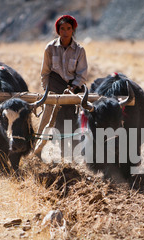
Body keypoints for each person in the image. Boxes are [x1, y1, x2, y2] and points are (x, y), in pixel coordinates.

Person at [36, 15, 88, 157]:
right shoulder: (50, 48)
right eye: (62, 29)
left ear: (73, 30)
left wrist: (72, 88)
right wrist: (48, 92)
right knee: (54, 121)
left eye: (68, 28)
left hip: (73, 90)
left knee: (76, 121)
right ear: (58, 31)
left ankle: (78, 154)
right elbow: (45, 73)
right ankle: (40, 150)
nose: (65, 32)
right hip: (54, 90)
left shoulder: (79, 50)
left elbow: (82, 74)